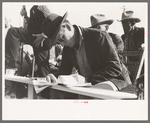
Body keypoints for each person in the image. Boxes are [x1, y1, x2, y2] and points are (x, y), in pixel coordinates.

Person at [41, 12, 131, 99]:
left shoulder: (99, 36)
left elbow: (115, 68)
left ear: (68, 27)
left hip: (114, 81)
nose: (62, 44)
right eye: (58, 43)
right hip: (89, 85)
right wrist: (54, 77)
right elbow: (64, 72)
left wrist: (86, 79)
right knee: (56, 92)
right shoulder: (68, 47)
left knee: (87, 97)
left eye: (61, 38)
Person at [5, 5, 53, 98]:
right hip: (37, 37)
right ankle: (46, 95)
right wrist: (26, 16)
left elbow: (53, 22)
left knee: (13, 32)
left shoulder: (42, 8)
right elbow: (34, 24)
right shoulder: (34, 10)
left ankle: (12, 66)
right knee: (43, 70)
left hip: (42, 38)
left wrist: (44, 35)